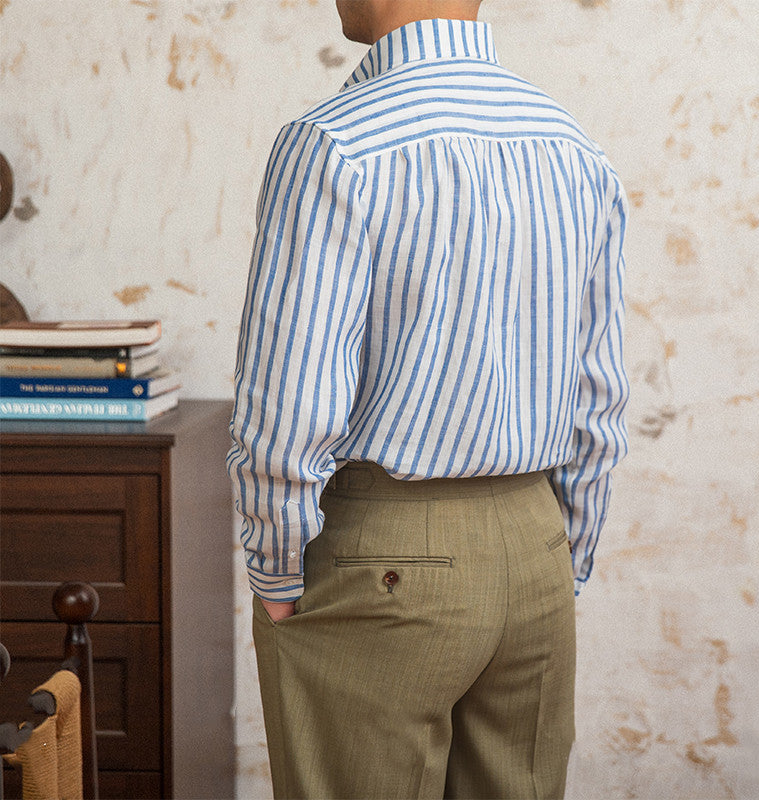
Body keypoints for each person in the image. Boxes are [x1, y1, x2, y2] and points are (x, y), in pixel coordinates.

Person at [227, 0, 629, 797]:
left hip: (383, 551)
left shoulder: (336, 143)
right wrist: (562, 556)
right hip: (535, 544)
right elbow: (599, 396)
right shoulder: (573, 145)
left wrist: (275, 574)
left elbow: (288, 404)